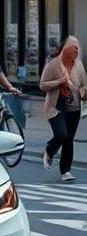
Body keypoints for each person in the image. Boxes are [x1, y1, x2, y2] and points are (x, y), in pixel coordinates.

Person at [39, 35, 87, 182]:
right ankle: (49, 150)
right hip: (56, 107)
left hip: (74, 108)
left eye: (78, 48)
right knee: (61, 135)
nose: (77, 51)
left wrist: (84, 93)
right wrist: (59, 82)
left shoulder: (78, 64)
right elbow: (43, 85)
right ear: (65, 48)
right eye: (74, 47)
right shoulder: (53, 64)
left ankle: (65, 171)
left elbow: (84, 83)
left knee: (69, 139)